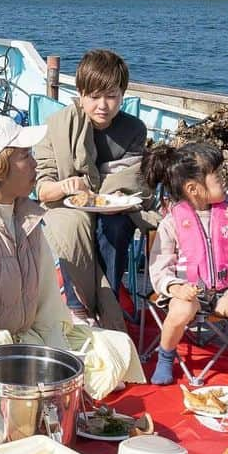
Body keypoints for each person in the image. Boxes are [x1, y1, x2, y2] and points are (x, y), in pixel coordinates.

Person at [0, 115, 143, 409]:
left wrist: (57, 355)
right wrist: (43, 366)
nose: (35, 163)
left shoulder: (26, 218)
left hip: (23, 339)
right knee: (52, 385)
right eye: (25, 156)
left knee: (116, 347)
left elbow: (48, 306)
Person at [34, 50, 148, 332]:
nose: (103, 106)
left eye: (111, 96)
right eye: (94, 97)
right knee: (74, 226)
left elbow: (133, 178)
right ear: (81, 94)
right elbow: (42, 187)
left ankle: (104, 304)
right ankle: (78, 306)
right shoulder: (59, 125)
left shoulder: (133, 129)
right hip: (66, 205)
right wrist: (65, 186)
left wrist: (104, 193)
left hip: (114, 205)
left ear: (122, 95)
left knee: (115, 225)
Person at [142, 142, 228, 385]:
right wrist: (176, 288)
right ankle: (166, 357)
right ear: (193, 188)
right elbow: (159, 268)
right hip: (189, 292)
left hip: (226, 291)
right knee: (182, 309)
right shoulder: (172, 221)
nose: (223, 180)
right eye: (217, 176)